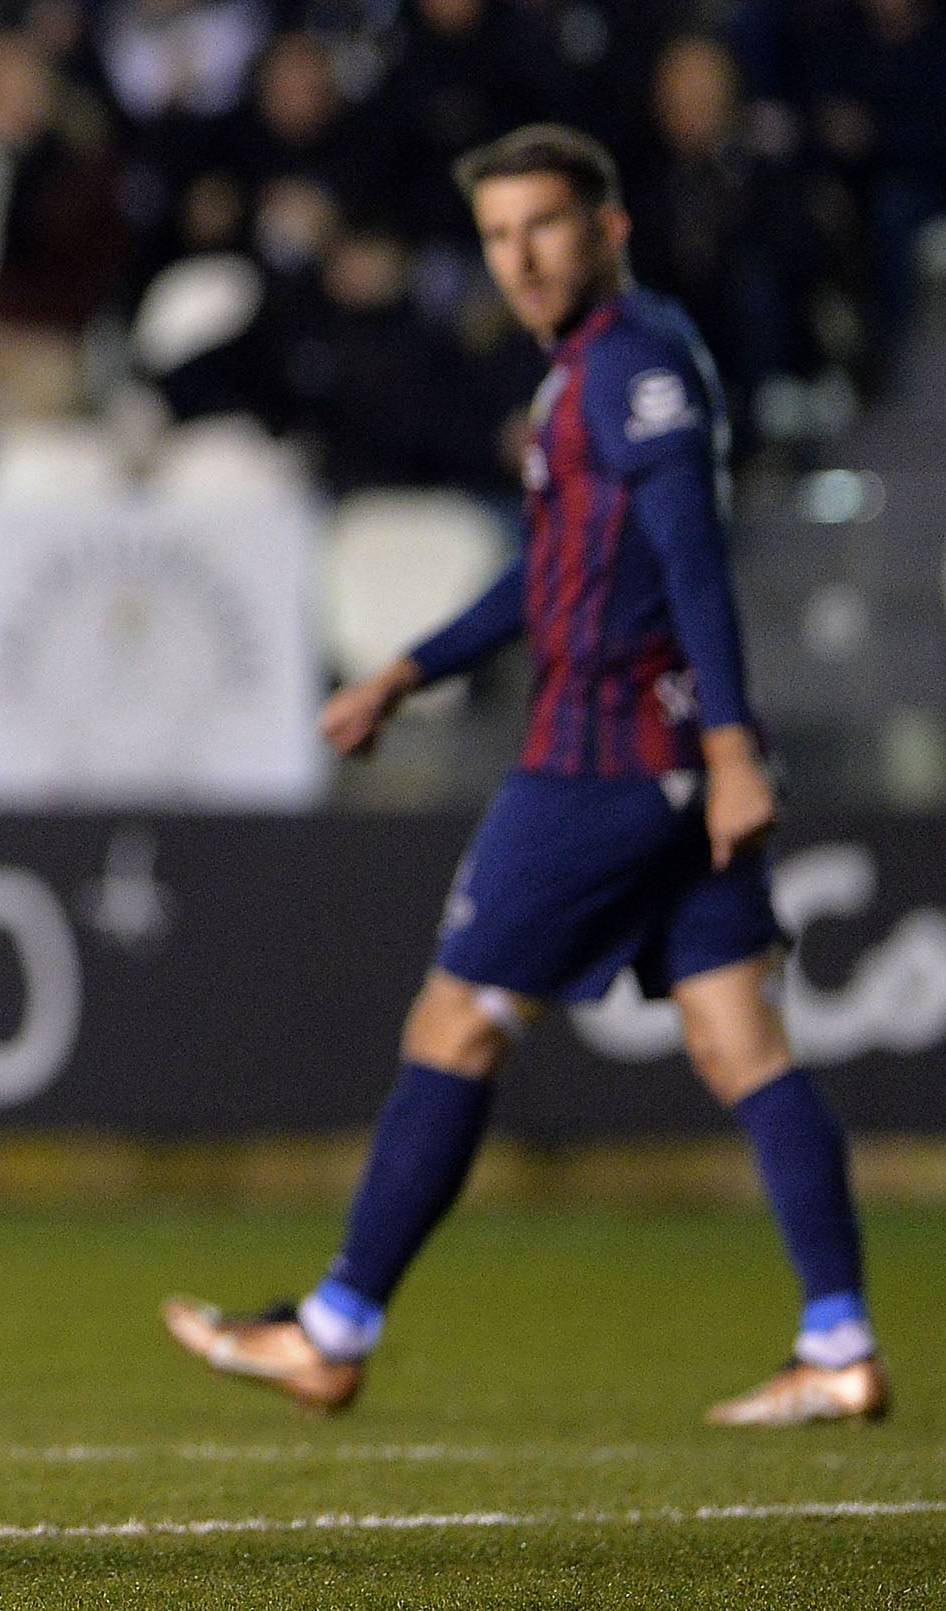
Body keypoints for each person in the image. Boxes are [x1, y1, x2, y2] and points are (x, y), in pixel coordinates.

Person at [163, 125, 885, 1428]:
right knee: (735, 1041)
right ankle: (835, 1343)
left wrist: (727, 750)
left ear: (605, 228)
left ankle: (331, 1329)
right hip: (660, 767)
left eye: (543, 227)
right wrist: (404, 670)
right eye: (497, 237)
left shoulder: (629, 373)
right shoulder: (592, 373)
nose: (521, 259)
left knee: (454, 1026)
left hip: (603, 766)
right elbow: (549, 575)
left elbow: (691, 563)